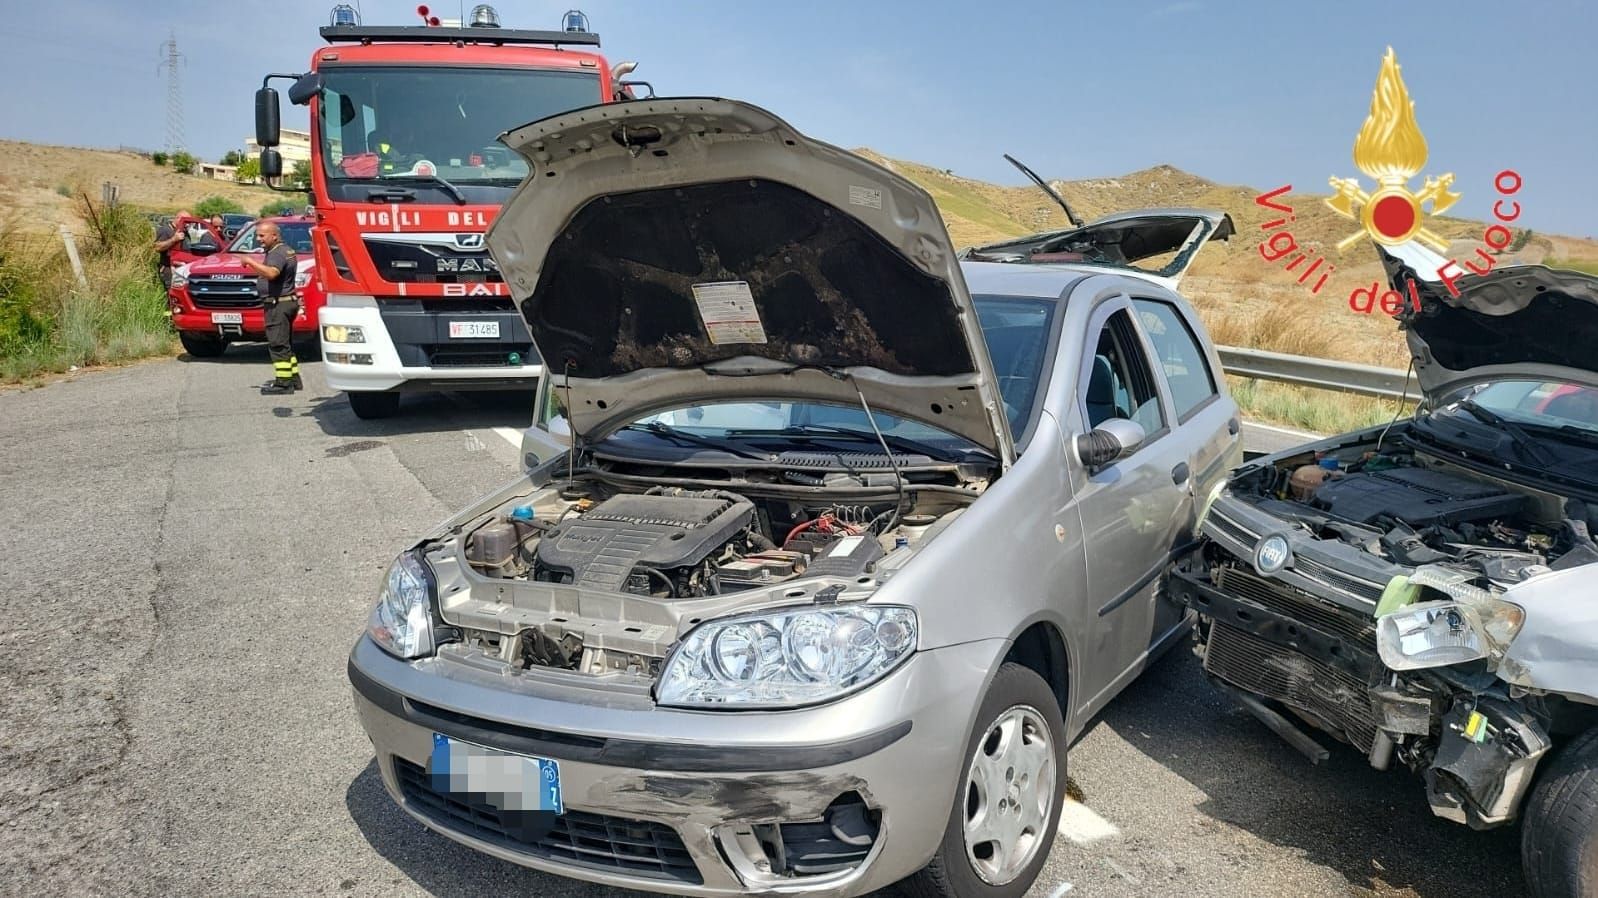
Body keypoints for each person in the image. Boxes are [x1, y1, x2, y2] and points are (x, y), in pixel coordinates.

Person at [237, 220, 301, 394]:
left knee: (277, 344)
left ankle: (283, 384)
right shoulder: (285, 250)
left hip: (278, 304)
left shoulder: (277, 253)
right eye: (257, 235)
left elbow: (272, 273)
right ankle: (294, 379)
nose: (258, 239)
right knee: (286, 343)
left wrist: (250, 261)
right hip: (287, 302)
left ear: (274, 235)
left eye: (262, 235)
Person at [152, 209, 192, 289]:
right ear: (178, 219)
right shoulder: (165, 230)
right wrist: (173, 239)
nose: (188, 225)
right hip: (169, 270)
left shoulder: (184, 231)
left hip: (181, 270)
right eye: (186, 222)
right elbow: (157, 247)